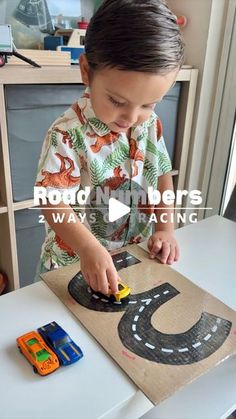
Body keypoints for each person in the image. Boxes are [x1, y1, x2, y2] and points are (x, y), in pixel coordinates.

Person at [35, 0, 185, 295]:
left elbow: (163, 175)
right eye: (117, 101)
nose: (130, 118)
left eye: (148, 104)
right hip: (72, 265)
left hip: (131, 259)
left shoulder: (149, 123)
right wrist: (88, 247)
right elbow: (52, 200)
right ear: (86, 71)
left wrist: (165, 230)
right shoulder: (66, 133)